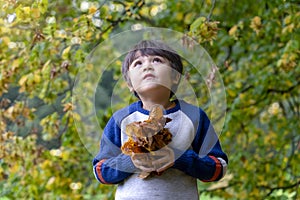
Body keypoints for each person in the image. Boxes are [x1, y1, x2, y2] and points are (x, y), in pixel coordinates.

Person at [93, 40, 228, 200]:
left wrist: (180, 158)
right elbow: (100, 171)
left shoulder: (194, 116)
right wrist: (130, 162)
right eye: (138, 63)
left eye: (157, 60)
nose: (147, 66)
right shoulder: (120, 119)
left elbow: (219, 167)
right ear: (130, 84)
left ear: (175, 77)